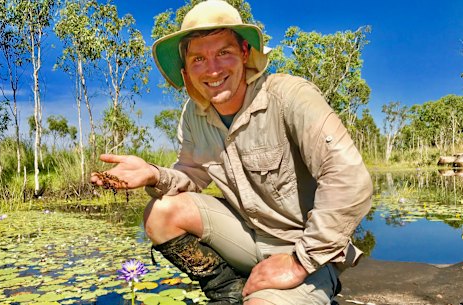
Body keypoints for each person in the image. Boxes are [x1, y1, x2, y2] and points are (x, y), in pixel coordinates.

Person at [91, 0, 373, 304]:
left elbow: (350, 179)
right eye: (199, 58)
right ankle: (227, 292)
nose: (212, 69)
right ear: (186, 72)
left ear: (244, 53)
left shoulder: (290, 96)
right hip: (247, 237)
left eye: (223, 52)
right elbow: (192, 174)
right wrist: (154, 174)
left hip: (303, 248)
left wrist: (298, 263)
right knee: (161, 213)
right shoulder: (193, 114)